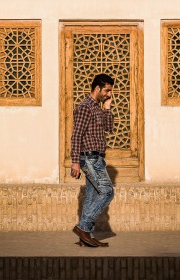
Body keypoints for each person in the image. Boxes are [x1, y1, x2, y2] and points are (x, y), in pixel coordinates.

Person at [71, 73, 115, 247]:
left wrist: (108, 108)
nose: (109, 94)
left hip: (97, 158)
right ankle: (83, 227)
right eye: (107, 90)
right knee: (107, 192)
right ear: (97, 88)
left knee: (91, 196)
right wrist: (75, 161)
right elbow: (76, 136)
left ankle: (85, 235)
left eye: (110, 91)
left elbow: (109, 128)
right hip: (88, 158)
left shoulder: (97, 107)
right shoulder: (84, 107)